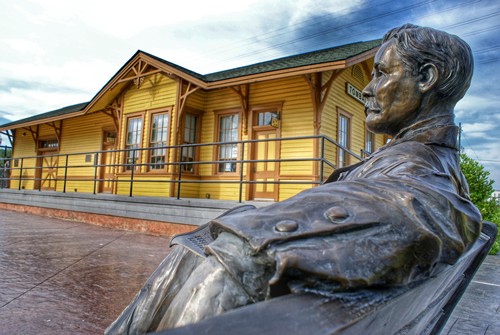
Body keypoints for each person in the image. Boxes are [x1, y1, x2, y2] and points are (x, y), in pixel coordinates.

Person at [105, 24, 481, 334]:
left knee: (232, 248)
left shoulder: (421, 173)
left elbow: (418, 205)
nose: (367, 89)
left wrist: (251, 230)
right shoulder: (416, 161)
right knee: (210, 239)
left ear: (427, 78)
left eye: (382, 73)